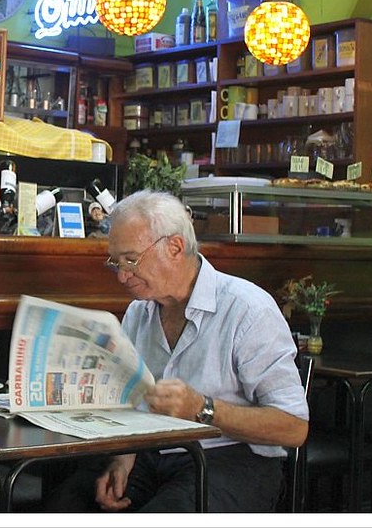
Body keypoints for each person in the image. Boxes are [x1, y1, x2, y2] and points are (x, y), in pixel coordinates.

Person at [43, 190, 308, 513]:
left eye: (131, 260)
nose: (123, 276)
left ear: (175, 247)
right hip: (150, 452)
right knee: (63, 504)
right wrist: (122, 459)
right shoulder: (140, 313)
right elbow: (130, 403)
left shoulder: (247, 310)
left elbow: (294, 427)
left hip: (229, 458)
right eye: (116, 262)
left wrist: (203, 409)